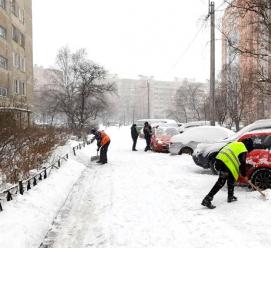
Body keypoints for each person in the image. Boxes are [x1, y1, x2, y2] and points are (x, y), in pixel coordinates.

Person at [201, 138, 254, 209]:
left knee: (231, 179)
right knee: (221, 182)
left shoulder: (236, 143)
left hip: (219, 161)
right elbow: (242, 164)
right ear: (248, 146)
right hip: (225, 164)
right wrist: (244, 175)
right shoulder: (243, 148)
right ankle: (207, 199)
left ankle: (230, 196)